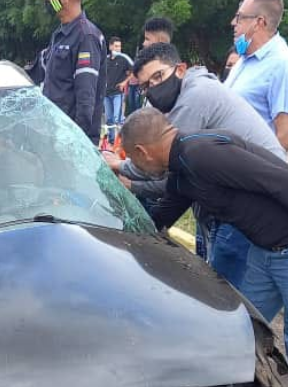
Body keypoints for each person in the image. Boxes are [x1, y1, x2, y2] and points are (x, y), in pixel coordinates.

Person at [104, 42, 285, 288]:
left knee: (225, 292)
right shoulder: (184, 166)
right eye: (146, 86)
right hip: (254, 232)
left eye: (158, 77)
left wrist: (125, 172)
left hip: (271, 229)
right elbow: (169, 203)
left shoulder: (197, 146)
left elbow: (274, 179)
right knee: (241, 311)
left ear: (180, 69)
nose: (153, 89)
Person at [119, 107, 288, 348]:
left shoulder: (202, 153)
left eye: (132, 159)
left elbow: (279, 181)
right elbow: (161, 217)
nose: (135, 167)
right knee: (244, 329)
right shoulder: (182, 172)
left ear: (141, 152)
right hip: (263, 253)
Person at [42, 0, 107, 145]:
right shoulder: (60, 34)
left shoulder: (86, 36)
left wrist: (75, 143)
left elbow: (86, 98)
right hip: (54, 133)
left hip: (72, 140)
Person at [224, 0, 288, 150]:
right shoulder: (244, 57)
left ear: (259, 22)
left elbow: (285, 135)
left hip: (252, 169)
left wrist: (258, 170)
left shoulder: (281, 64)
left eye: (240, 17)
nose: (233, 22)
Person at [104, 36, 132, 144]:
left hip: (118, 93)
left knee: (118, 119)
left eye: (119, 46)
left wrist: (125, 82)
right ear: (110, 47)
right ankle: (111, 141)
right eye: (116, 46)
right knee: (109, 119)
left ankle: (121, 142)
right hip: (106, 94)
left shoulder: (124, 59)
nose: (118, 49)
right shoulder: (105, 60)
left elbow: (134, 71)